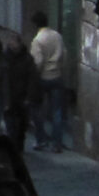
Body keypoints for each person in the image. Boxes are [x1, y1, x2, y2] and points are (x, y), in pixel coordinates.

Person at [28, 11, 68, 151]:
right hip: (57, 76)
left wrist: (35, 75)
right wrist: (59, 68)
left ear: (35, 25)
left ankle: (41, 139)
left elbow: (38, 62)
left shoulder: (38, 40)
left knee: (36, 109)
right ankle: (57, 143)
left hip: (43, 78)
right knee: (57, 111)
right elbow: (64, 54)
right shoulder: (57, 35)